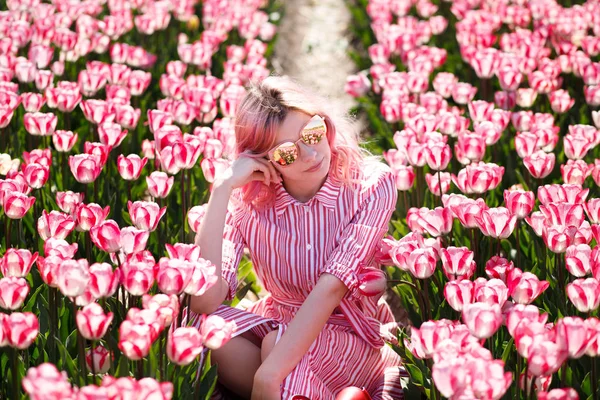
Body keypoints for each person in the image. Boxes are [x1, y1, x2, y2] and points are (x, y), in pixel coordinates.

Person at [190, 76, 406, 400]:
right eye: (287, 153)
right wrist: (222, 189)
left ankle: (285, 387)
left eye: (312, 133)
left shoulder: (371, 186)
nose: (310, 154)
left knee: (274, 352)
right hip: (280, 327)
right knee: (197, 328)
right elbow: (204, 301)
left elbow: (332, 289)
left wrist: (269, 374)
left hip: (351, 335)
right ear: (261, 160)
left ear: (323, 123)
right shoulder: (249, 204)